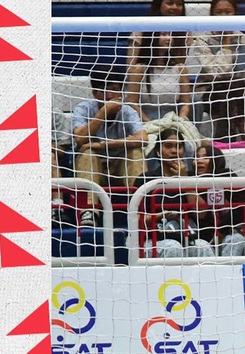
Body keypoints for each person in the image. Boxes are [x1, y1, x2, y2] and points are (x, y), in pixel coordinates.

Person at [72, 64, 148, 227]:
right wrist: (102, 113)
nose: (111, 95)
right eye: (105, 90)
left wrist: (102, 144)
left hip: (120, 167)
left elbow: (143, 138)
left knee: (136, 151)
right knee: (88, 153)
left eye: (115, 89)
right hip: (94, 166)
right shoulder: (83, 108)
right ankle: (89, 211)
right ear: (95, 93)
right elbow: (80, 139)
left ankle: (141, 209)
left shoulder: (127, 111)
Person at [133, 128, 215, 258]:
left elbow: (202, 214)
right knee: (173, 248)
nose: (174, 151)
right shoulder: (146, 180)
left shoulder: (193, 178)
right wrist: (159, 216)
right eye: (168, 146)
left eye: (179, 146)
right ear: (158, 151)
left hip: (187, 236)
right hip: (154, 239)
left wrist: (184, 181)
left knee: (203, 247)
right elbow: (135, 220)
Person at [189, 0, 245, 141]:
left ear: (235, 14)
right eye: (219, 12)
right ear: (212, 14)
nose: (223, 16)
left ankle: (223, 137)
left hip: (239, 92)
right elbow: (219, 73)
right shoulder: (203, 41)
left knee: (234, 87)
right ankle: (236, 132)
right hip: (209, 91)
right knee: (230, 87)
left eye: (228, 12)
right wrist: (225, 44)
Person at [190, 144, 245, 256]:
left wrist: (222, 230)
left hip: (240, 233)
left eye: (205, 157)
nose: (199, 161)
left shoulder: (227, 176)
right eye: (196, 157)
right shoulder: (189, 180)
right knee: (234, 241)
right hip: (208, 239)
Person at [126, 31, 193, 122]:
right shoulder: (139, 70)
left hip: (172, 118)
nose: (169, 38)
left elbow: (185, 102)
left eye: (170, 35)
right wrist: (149, 122)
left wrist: (180, 121)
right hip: (144, 118)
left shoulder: (180, 68)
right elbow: (131, 102)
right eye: (163, 35)